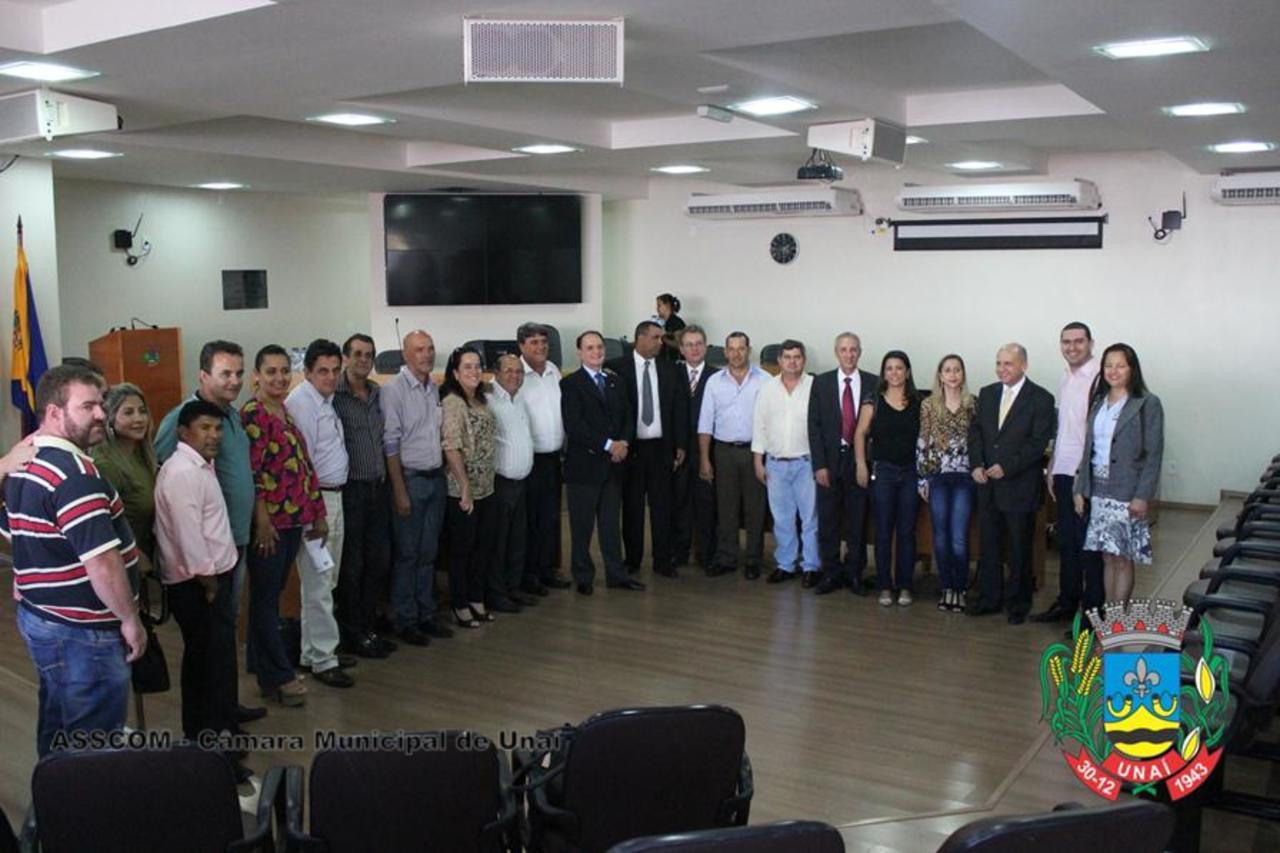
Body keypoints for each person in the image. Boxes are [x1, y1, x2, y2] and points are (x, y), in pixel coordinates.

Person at [1, 365, 145, 756]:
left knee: (57, 723)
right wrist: (129, 619)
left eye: (101, 404)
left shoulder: (21, 461)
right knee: (91, 747)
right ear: (53, 412)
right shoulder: (76, 475)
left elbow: (17, 533)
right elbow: (102, 564)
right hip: (83, 632)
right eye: (87, 407)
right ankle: (75, 797)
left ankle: (50, 792)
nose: (101, 414)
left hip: (42, 618)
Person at [155, 340, 265, 724]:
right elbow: (169, 476)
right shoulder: (182, 419)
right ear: (203, 375)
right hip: (204, 558)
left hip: (232, 542)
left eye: (239, 373)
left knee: (223, 637)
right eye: (225, 374)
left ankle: (226, 707)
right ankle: (213, 721)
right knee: (210, 642)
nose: (234, 381)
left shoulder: (230, 416)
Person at [153, 399, 248, 779]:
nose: (214, 435)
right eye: (205, 428)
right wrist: (209, 583)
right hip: (199, 585)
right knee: (207, 668)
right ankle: (211, 751)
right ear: (183, 432)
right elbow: (189, 535)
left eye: (218, 428)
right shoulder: (181, 473)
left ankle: (216, 736)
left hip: (209, 579)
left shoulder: (199, 466)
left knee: (212, 664)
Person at [243, 345, 325, 706]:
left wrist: (317, 512)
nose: (279, 378)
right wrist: (261, 520)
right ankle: (279, 674)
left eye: (283, 371)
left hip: (294, 520)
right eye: (270, 371)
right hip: (271, 525)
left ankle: (266, 670)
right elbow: (254, 473)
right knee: (264, 601)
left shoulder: (285, 412)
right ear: (256, 376)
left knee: (270, 597)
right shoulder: (254, 415)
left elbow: (304, 466)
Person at [968, 344, 1056, 625]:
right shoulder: (987, 393)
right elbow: (976, 432)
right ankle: (990, 598)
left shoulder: (1041, 398)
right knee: (989, 544)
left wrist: (1007, 466)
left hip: (1019, 485)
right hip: (988, 484)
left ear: (1023, 365)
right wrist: (976, 463)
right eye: (998, 363)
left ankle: (1018, 603)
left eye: (1008, 363)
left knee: (1019, 548)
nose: (1001, 369)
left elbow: (1037, 444)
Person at [285, 338, 355, 689]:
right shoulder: (302, 404)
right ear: (307, 372)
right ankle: (325, 659)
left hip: (333, 497)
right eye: (322, 371)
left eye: (335, 370)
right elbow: (304, 465)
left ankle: (312, 652)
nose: (330, 377)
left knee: (324, 581)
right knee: (319, 583)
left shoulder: (324, 400)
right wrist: (316, 514)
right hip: (318, 503)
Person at [1074, 344, 1164, 609]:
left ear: (1132, 369)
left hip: (1127, 492)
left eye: (1120, 366)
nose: (1113, 371)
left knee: (1123, 557)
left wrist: (1142, 496)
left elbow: (1154, 454)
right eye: (1108, 366)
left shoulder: (1146, 403)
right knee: (1107, 556)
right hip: (1098, 490)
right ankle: (1108, 611)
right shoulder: (1099, 402)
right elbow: (1088, 449)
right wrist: (1079, 488)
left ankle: (1117, 619)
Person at [381, 330, 454, 646]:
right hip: (409, 481)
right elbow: (390, 443)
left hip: (435, 479)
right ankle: (405, 619)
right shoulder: (393, 391)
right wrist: (399, 490)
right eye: (420, 349)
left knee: (428, 553)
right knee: (408, 554)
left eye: (430, 348)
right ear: (405, 354)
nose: (427, 354)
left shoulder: (432, 388)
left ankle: (426, 614)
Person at [1033, 322, 1104, 624]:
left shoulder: (1099, 378)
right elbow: (1066, 429)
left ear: (1091, 343)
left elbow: (1095, 433)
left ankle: (1091, 616)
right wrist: (1053, 467)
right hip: (1062, 470)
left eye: (1078, 341)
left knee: (1088, 548)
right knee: (1067, 543)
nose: (1072, 347)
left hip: (1083, 475)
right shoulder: (1067, 377)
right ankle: (1066, 603)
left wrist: (1079, 475)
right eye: (1066, 342)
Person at [332, 333, 397, 658]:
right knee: (352, 565)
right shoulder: (335, 396)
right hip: (352, 491)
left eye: (369, 354)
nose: (363, 359)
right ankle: (351, 632)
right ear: (346, 357)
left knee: (378, 560)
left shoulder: (376, 393)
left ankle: (368, 626)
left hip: (378, 488)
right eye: (357, 353)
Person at [561, 330, 639, 595]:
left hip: (613, 466)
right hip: (584, 467)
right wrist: (608, 445)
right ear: (580, 353)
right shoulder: (570, 384)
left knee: (610, 526)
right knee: (582, 527)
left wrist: (624, 442)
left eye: (599, 347)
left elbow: (628, 416)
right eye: (590, 348)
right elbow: (575, 426)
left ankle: (616, 574)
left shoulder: (615, 381)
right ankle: (583, 576)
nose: (596, 352)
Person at [608, 320, 687, 578]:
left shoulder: (669, 368)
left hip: (661, 448)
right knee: (632, 508)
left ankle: (662, 560)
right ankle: (632, 560)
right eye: (655, 337)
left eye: (662, 338)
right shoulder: (617, 369)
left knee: (663, 506)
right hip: (631, 449)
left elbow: (678, 409)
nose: (660, 343)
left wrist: (680, 443)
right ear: (639, 338)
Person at [808, 332, 878, 593]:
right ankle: (830, 573)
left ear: (860, 352)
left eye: (853, 350)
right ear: (836, 352)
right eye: (844, 350)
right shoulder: (822, 382)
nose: (849, 355)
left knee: (857, 520)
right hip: (829, 459)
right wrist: (819, 465)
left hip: (859, 460)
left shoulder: (873, 382)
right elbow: (814, 426)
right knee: (828, 520)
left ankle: (854, 573)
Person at [698, 332, 769, 579]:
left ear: (749, 350)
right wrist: (705, 459)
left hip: (754, 451)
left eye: (741, 348)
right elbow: (705, 423)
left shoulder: (765, 380)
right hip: (724, 451)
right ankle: (726, 557)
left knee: (755, 508)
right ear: (725, 352)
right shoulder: (714, 382)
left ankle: (753, 560)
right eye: (732, 349)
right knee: (726, 507)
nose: (736, 354)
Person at [855, 351, 922, 606]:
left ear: (908, 372)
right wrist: (861, 464)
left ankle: (905, 585)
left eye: (899, 368)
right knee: (883, 530)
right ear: (883, 373)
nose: (894, 373)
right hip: (882, 471)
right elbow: (860, 433)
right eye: (889, 368)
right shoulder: (873, 399)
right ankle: (884, 585)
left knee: (907, 531)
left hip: (911, 472)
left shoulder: (918, 401)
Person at [751, 339, 819, 584]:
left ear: (804, 360)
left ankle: (811, 566)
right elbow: (759, 425)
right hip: (775, 464)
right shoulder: (767, 388)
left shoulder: (814, 386)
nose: (792, 362)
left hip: (806, 463)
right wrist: (758, 461)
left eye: (797, 357)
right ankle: (786, 564)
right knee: (782, 519)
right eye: (787, 357)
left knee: (810, 518)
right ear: (779, 360)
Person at [441, 346, 499, 627]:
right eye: (467, 366)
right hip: (462, 491)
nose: (474, 371)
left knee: (482, 547)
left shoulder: (480, 399)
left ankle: (476, 598)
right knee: (462, 550)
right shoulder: (453, 402)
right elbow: (451, 447)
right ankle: (460, 604)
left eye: (477, 366)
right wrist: (465, 486)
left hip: (486, 487)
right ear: (455, 372)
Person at [916, 355, 978, 612]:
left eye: (957, 370)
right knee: (940, 536)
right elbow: (923, 441)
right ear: (940, 375)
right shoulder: (929, 405)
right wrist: (922, 477)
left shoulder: (972, 404)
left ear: (963, 374)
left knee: (958, 537)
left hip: (965, 477)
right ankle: (947, 588)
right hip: (938, 476)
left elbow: (979, 441)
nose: (953, 375)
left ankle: (960, 588)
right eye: (948, 370)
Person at [517, 322, 572, 592]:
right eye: (534, 342)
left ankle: (548, 570)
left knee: (551, 518)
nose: (541, 347)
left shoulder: (553, 371)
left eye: (544, 342)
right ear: (521, 346)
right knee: (531, 521)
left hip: (553, 459)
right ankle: (530, 575)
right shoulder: (514, 374)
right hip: (529, 461)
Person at [487, 354, 539, 611]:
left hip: (521, 482)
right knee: (499, 543)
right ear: (496, 373)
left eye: (519, 371)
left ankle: (513, 587)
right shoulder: (488, 400)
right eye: (509, 371)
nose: (515, 376)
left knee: (518, 540)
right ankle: (496, 594)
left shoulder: (518, 399)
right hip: (501, 483)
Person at [91, 382, 158, 576]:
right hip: (124, 563)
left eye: (142, 411)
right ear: (110, 419)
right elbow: (104, 523)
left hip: (148, 554)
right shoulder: (106, 465)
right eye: (128, 413)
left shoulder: (141, 455)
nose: (138, 419)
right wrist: (135, 554)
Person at [671, 325, 718, 572]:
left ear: (706, 347)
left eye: (699, 343)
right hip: (679, 450)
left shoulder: (717, 377)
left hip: (707, 450)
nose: (694, 349)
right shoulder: (671, 374)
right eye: (689, 344)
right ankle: (680, 551)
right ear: (681, 349)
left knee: (706, 504)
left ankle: (706, 554)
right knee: (679, 501)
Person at [655, 293, 685, 359]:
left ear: (667, 305)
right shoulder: (663, 322)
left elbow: (679, 345)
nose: (657, 309)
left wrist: (663, 338)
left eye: (659, 305)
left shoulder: (676, 322)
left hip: (674, 362)